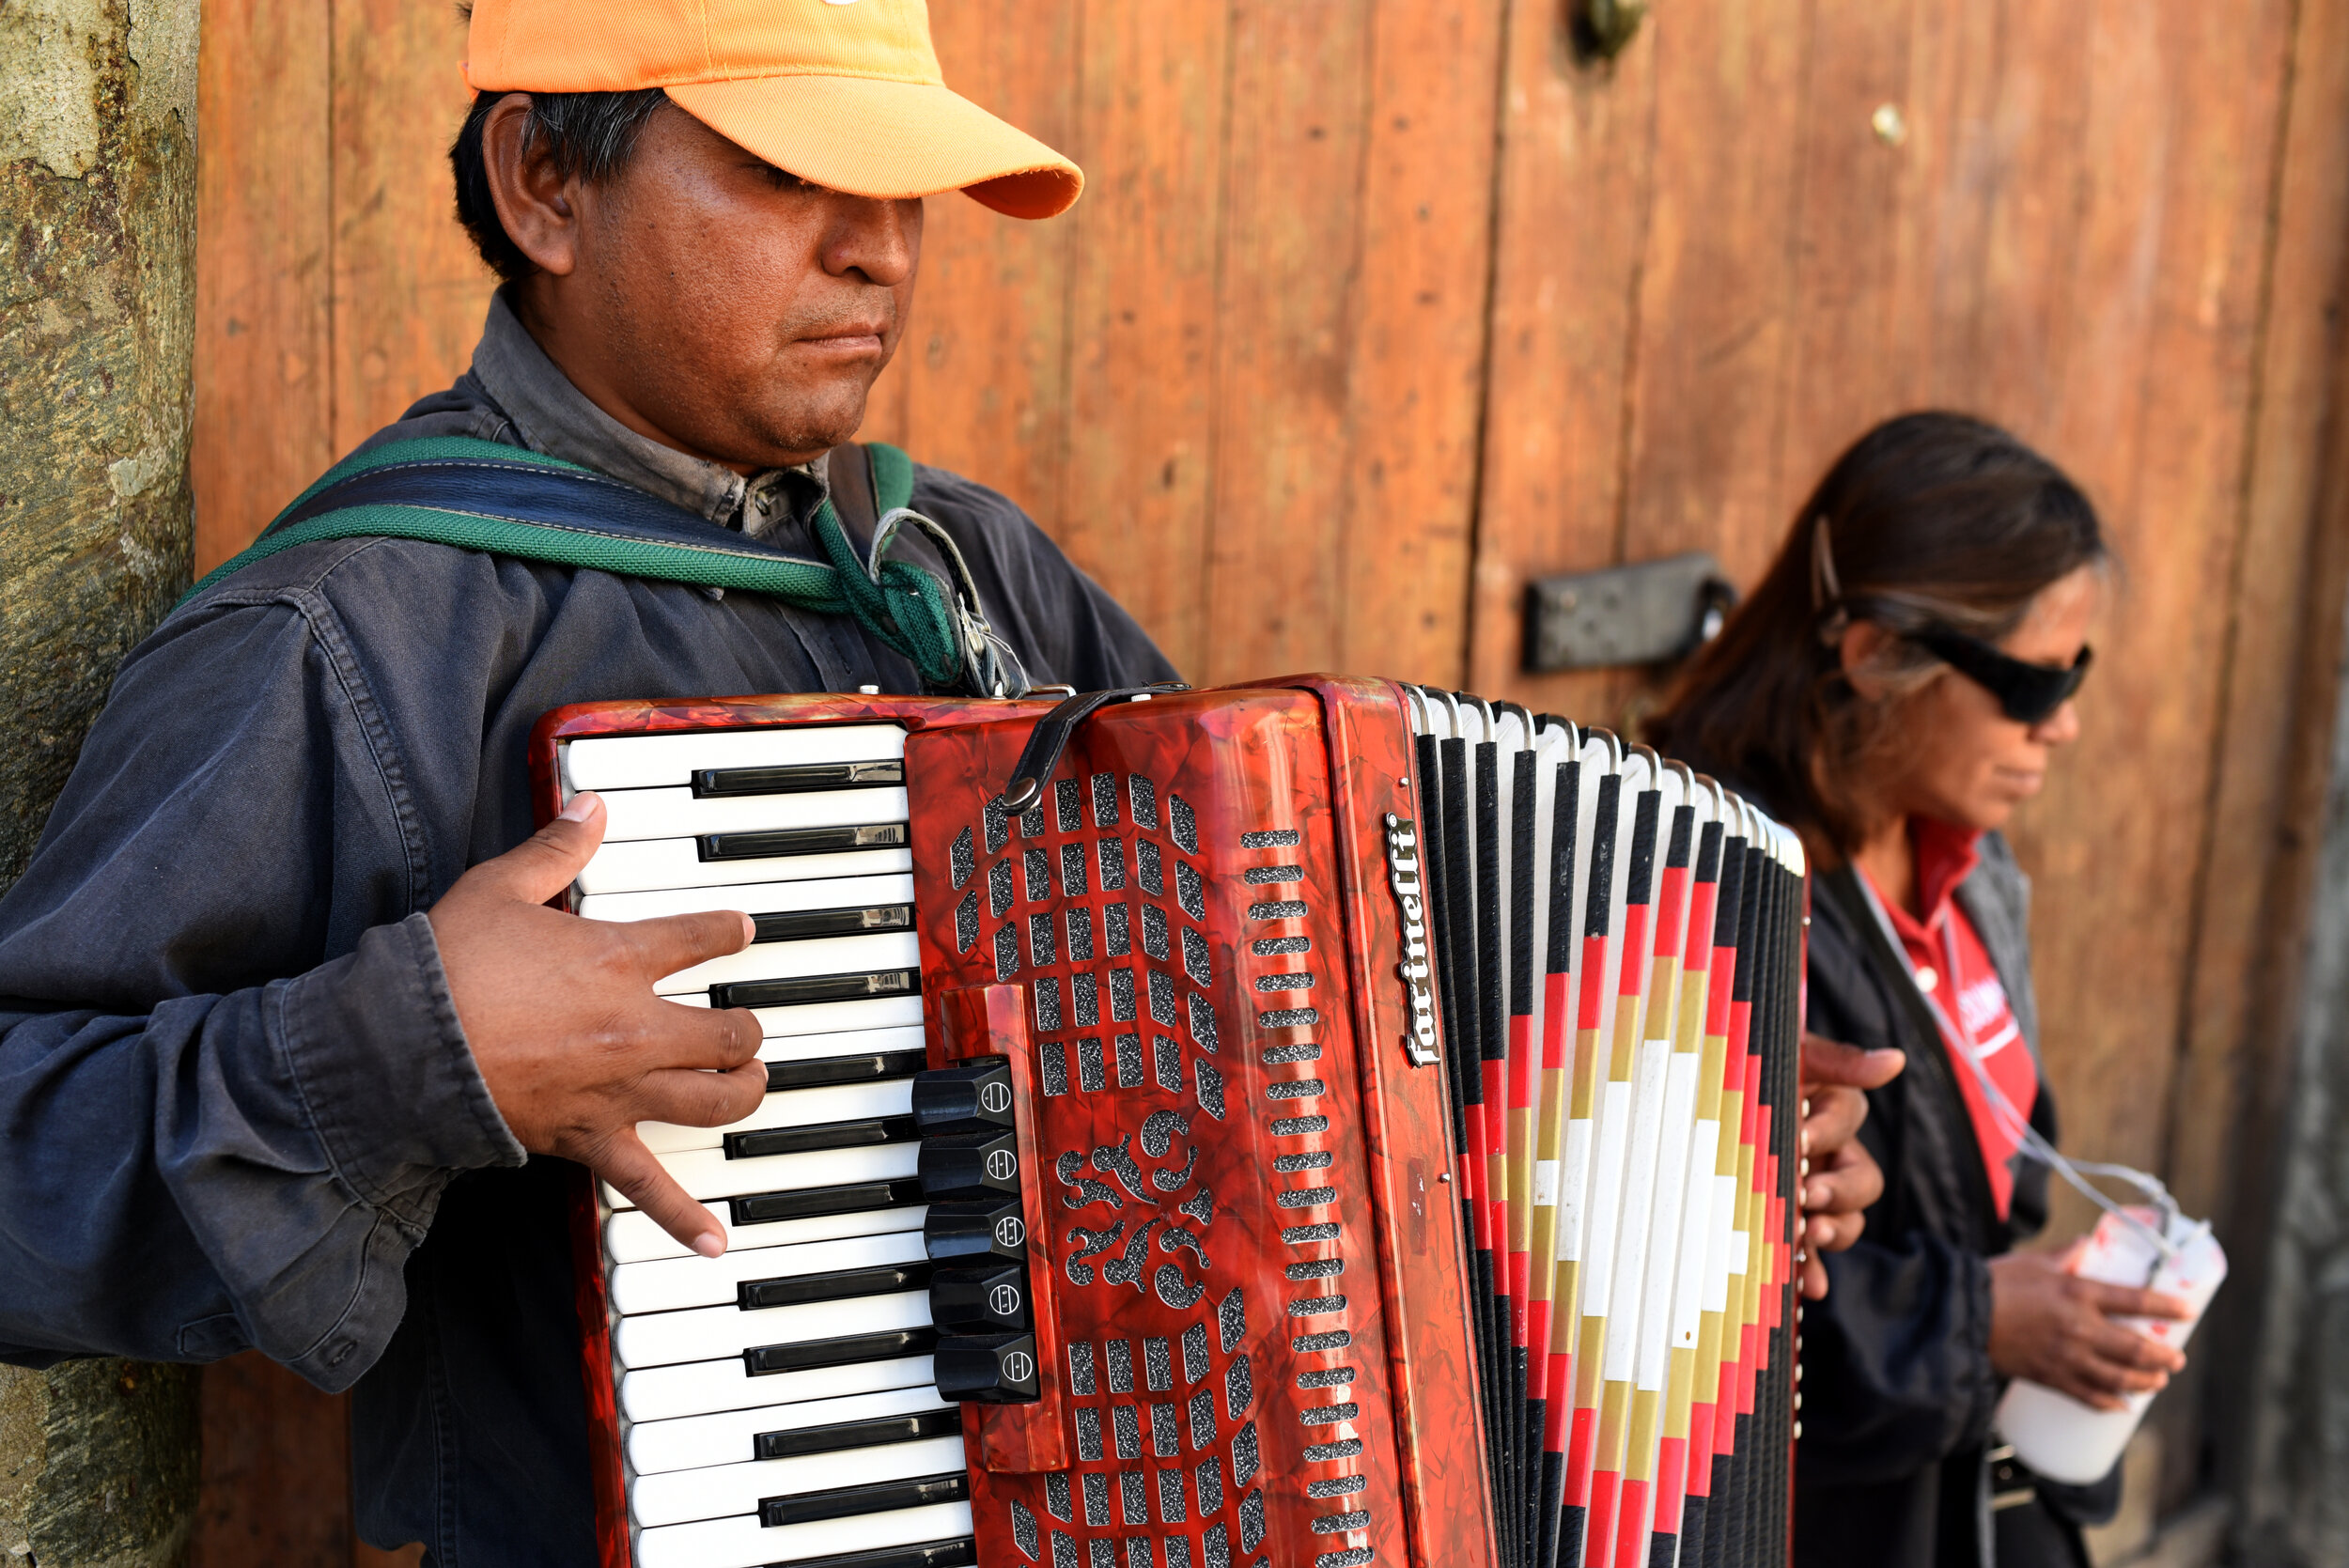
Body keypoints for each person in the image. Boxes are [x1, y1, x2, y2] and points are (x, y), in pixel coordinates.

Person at [0, 3, 1890, 1561]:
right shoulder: (349, 639)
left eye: (898, 190)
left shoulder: (962, 568)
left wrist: (1676, 1144)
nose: (876, 245)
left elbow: (1302, 1049)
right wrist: (416, 1055)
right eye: (784, 172)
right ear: (543, 181)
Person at [1650, 411, 2192, 1568]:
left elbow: (1993, 1182)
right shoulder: (1705, 889)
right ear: (1873, 652)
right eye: (2029, 684)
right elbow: (1682, 1313)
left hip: (1979, 1496)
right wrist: (1980, 1317)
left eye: (2075, 672)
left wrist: (2046, 1309)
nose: (2065, 723)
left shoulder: (1969, 859)